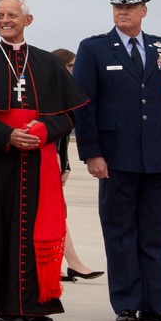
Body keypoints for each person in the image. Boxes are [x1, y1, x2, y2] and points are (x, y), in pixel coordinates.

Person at [0, 0, 85, 321]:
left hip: (40, 160)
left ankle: (37, 304)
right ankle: (4, 304)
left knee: (37, 230)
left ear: (28, 19)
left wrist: (42, 130)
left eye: (12, 15)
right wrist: (7, 136)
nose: (5, 20)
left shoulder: (47, 64)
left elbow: (68, 115)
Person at [71, 0, 161, 321]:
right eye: (117, 6)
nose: (122, 11)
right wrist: (92, 152)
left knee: (155, 235)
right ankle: (126, 303)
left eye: (129, 6)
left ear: (143, 11)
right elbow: (84, 105)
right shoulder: (94, 49)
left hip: (158, 155)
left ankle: (156, 305)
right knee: (121, 233)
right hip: (116, 158)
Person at [52, 48, 102, 281]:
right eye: (71, 66)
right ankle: (68, 262)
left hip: (56, 161)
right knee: (53, 213)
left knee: (57, 213)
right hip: (44, 160)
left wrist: (67, 165)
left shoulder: (67, 93)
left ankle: (70, 262)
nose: (76, 70)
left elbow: (64, 137)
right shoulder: (49, 93)